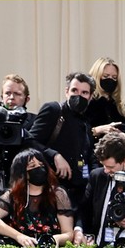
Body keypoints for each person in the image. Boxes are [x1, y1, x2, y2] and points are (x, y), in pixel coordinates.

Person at [0, 148, 76, 247]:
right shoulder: (12, 195)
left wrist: (56, 239)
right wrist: (18, 236)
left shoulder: (58, 194)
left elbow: (68, 233)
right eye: (32, 166)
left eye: (41, 165)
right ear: (22, 172)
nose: (39, 168)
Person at [28, 72, 95, 201]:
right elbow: (30, 141)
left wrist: (88, 178)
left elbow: (85, 157)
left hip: (76, 192)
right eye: (74, 90)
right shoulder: (54, 110)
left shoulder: (85, 122)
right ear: (67, 91)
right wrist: (55, 155)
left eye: (84, 93)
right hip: (49, 188)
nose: (78, 96)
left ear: (90, 96)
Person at [87, 57, 125, 139]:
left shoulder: (121, 108)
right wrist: (98, 130)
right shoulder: (86, 105)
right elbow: (77, 134)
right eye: (105, 76)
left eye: (114, 77)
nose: (110, 80)